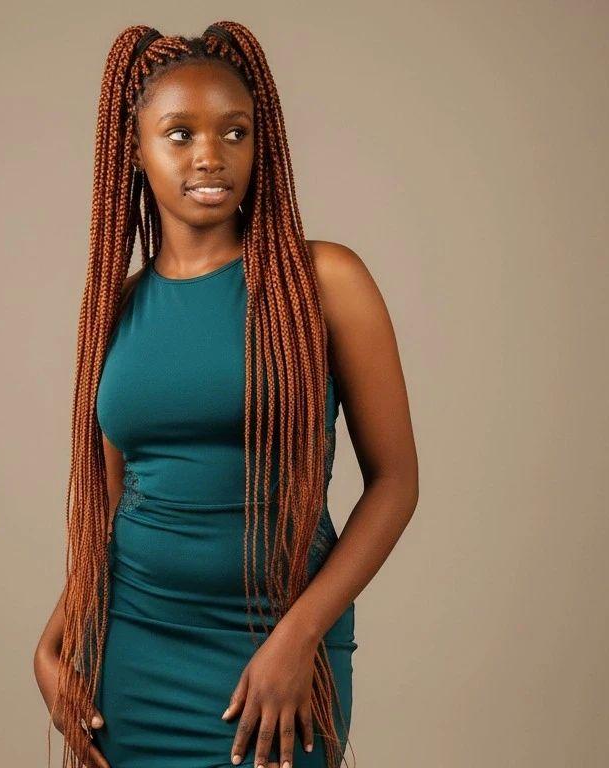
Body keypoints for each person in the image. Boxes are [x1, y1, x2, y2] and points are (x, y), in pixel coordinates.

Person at [33, 21, 418, 768]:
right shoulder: (118, 307)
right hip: (132, 653)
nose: (211, 154)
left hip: (276, 651)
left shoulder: (323, 283)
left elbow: (396, 483)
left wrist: (298, 638)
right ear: (134, 150)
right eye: (180, 134)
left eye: (234, 132)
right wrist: (55, 641)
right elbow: (110, 504)